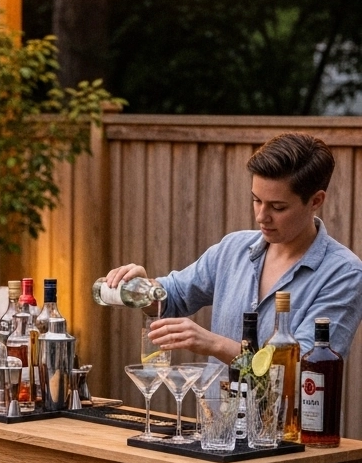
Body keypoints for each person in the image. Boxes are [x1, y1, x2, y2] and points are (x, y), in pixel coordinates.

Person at [105, 132, 362, 362]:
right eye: (256, 200)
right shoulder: (233, 249)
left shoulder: (344, 273)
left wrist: (215, 344)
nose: (262, 216)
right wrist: (142, 289)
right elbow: (173, 297)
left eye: (278, 207)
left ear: (316, 200)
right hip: (216, 417)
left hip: (290, 417)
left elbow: (304, 369)